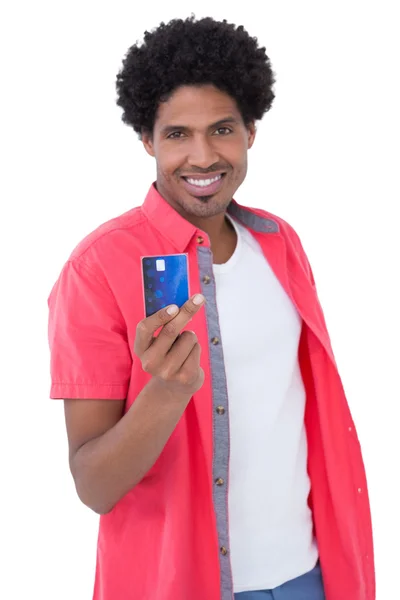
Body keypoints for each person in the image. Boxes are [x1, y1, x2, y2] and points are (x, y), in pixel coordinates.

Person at [47, 15, 375, 600]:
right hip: (182, 584)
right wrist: (167, 391)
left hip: (312, 576)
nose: (202, 157)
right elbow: (94, 485)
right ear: (146, 140)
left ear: (251, 131)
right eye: (177, 134)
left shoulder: (280, 242)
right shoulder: (97, 268)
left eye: (221, 129)